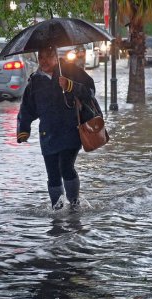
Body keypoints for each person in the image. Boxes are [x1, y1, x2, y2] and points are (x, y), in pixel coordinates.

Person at [16, 46, 96, 209]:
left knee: (66, 167)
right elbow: (27, 108)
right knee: (52, 175)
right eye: (41, 57)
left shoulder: (70, 70)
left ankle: (74, 205)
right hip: (48, 134)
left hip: (71, 131)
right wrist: (23, 129)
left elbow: (89, 91)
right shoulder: (35, 81)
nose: (44, 61)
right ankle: (56, 210)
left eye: (48, 56)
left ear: (56, 56)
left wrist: (70, 85)